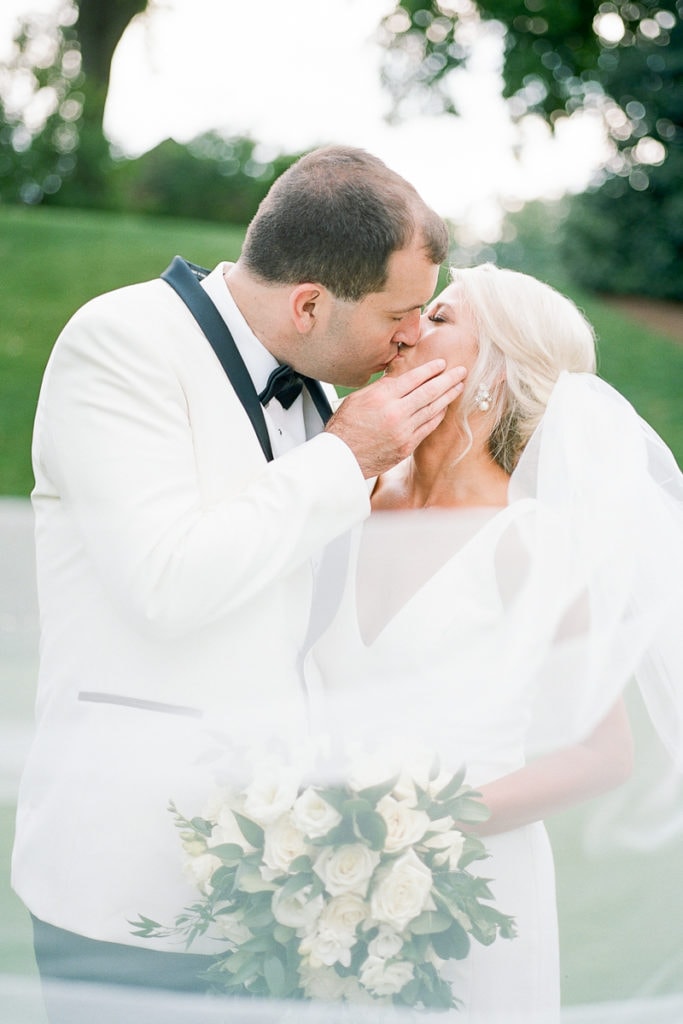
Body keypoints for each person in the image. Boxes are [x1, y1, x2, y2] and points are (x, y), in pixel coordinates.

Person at [11, 145, 468, 1018]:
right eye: (402, 312)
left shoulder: (323, 397)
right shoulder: (120, 343)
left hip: (280, 887)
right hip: (127, 881)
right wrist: (347, 457)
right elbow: (166, 584)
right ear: (308, 303)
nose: (412, 335)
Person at [307, 263, 683, 1022]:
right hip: (324, 879)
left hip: (469, 885)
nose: (408, 328)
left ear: (495, 370)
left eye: (440, 318)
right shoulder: (352, 490)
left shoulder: (526, 540)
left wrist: (411, 822)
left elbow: (602, 756)